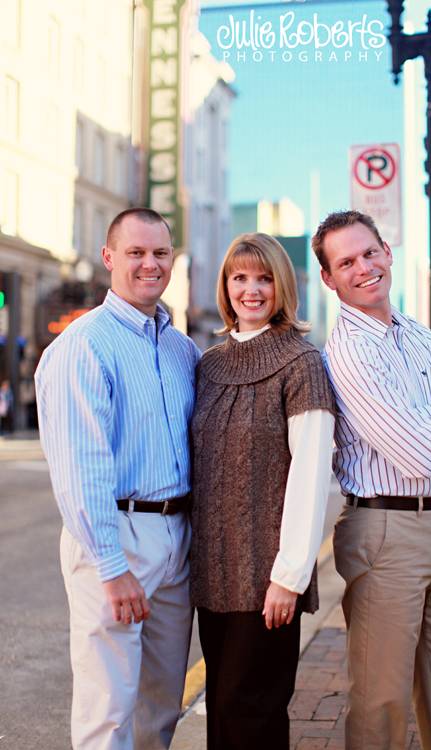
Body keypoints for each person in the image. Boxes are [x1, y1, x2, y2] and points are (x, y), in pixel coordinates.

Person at [312, 209, 431, 750]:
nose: (363, 267)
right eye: (346, 262)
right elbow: (417, 454)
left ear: (387, 252)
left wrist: (426, 421)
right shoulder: (349, 351)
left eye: (369, 253)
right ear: (329, 278)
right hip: (382, 530)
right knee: (382, 696)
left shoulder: (414, 333)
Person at [35, 208, 199, 750]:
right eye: (136, 253)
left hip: (178, 538)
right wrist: (110, 564)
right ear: (109, 258)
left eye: (160, 253)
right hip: (116, 538)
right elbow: (80, 467)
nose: (150, 264)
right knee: (107, 713)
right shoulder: (82, 346)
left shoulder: (181, 349)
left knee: (160, 708)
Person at [190, 233, 335, 750]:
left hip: (268, 578)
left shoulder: (302, 363)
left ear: (282, 286)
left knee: (250, 712)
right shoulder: (207, 365)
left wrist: (290, 576)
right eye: (239, 278)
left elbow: (311, 473)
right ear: (225, 286)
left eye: (264, 278)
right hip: (213, 574)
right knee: (222, 717)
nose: (250, 290)